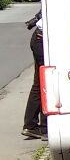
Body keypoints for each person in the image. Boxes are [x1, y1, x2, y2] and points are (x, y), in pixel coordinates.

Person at [22, 9, 46, 140]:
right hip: (43, 40)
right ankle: (45, 128)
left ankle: (30, 126)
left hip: (39, 38)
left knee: (40, 83)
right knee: (46, 82)